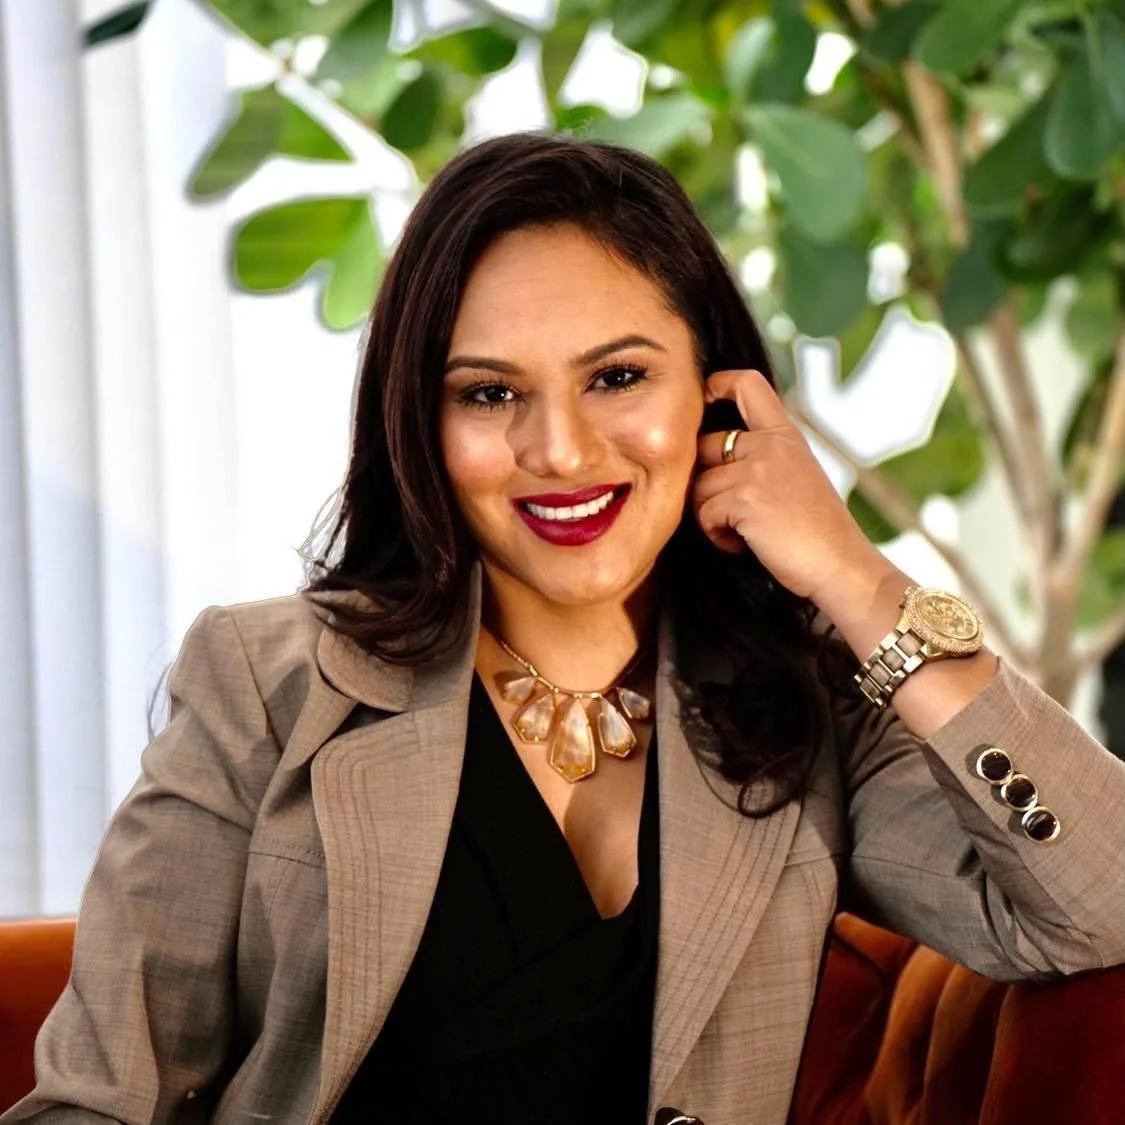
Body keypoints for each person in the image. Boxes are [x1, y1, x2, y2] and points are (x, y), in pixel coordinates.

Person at [6, 133, 1125, 1125]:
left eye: (619, 377)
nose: (560, 451)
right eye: (490, 394)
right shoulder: (265, 682)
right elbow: (102, 1100)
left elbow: (1098, 908)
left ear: (720, 399)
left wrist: (856, 576)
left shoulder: (812, 711)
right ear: (420, 422)